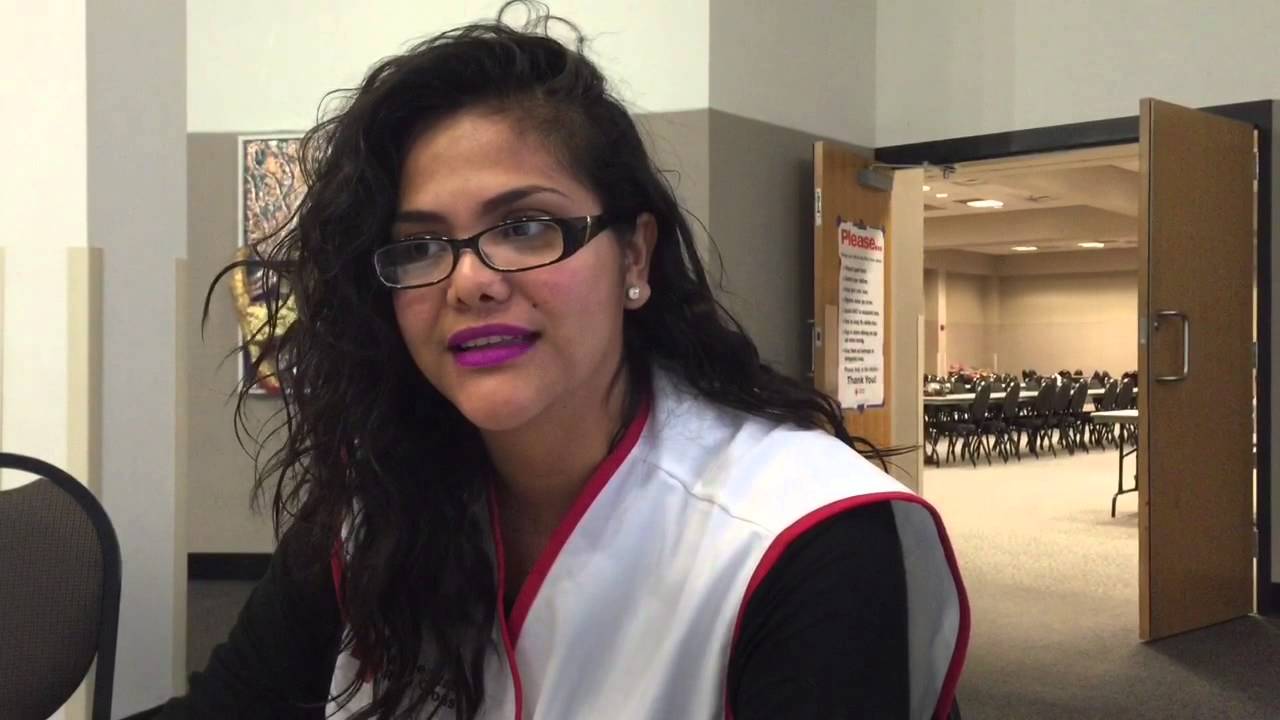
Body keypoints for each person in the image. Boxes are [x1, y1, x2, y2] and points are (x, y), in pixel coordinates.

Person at [155, 4, 967, 718]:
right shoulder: (375, 506)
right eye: (419, 244)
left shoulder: (809, 538)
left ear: (635, 259)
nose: (470, 281)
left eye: (525, 226)